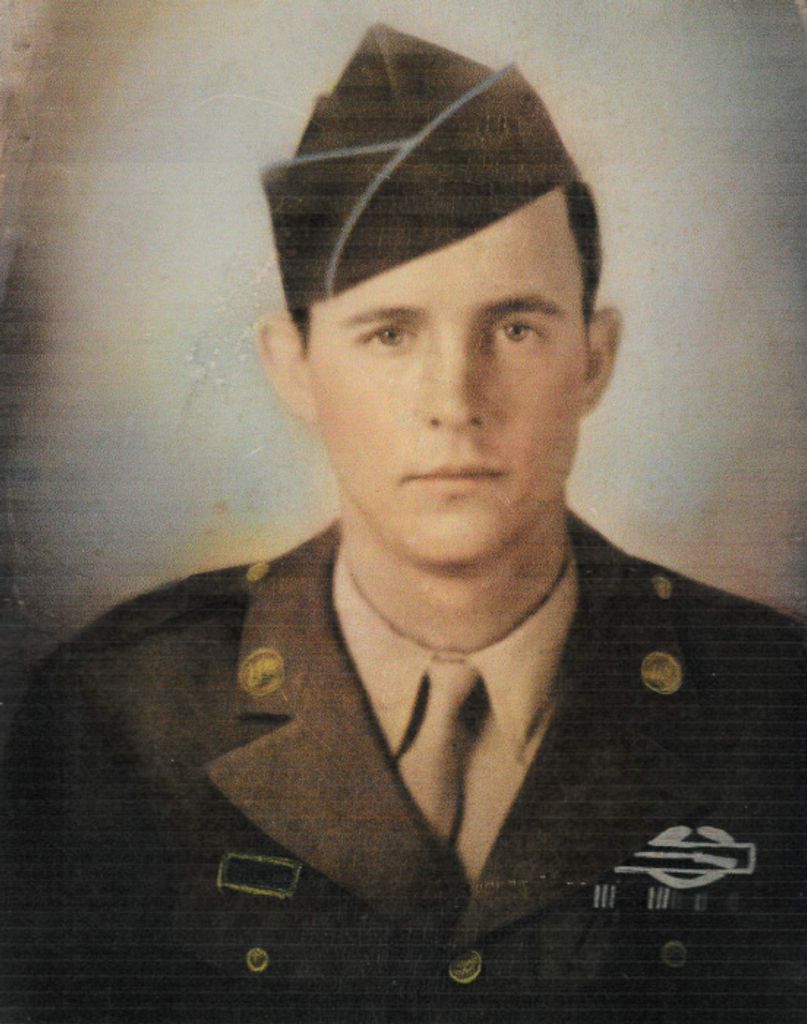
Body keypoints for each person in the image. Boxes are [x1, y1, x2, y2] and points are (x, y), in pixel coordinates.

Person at [2, 23, 803, 1024]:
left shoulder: (775, 709)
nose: (454, 401)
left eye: (515, 327)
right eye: (389, 333)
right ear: (293, 366)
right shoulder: (115, 720)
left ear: (593, 360)